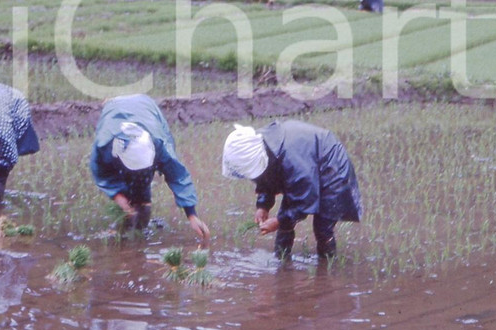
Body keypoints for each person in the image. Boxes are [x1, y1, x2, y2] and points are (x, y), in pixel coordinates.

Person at [221, 120, 363, 260]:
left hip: (331, 165)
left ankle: (327, 265)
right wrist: (263, 206)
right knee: (286, 218)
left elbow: (305, 200)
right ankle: (281, 259)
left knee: (322, 227)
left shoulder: (291, 160)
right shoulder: (264, 146)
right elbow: (266, 177)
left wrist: (278, 221)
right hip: (306, 163)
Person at [89, 94, 210, 244]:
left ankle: (140, 234)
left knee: (142, 186)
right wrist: (118, 196)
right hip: (114, 111)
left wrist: (192, 215)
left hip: (146, 108)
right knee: (124, 188)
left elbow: (178, 176)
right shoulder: (105, 144)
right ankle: (125, 235)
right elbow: (101, 173)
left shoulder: (159, 145)